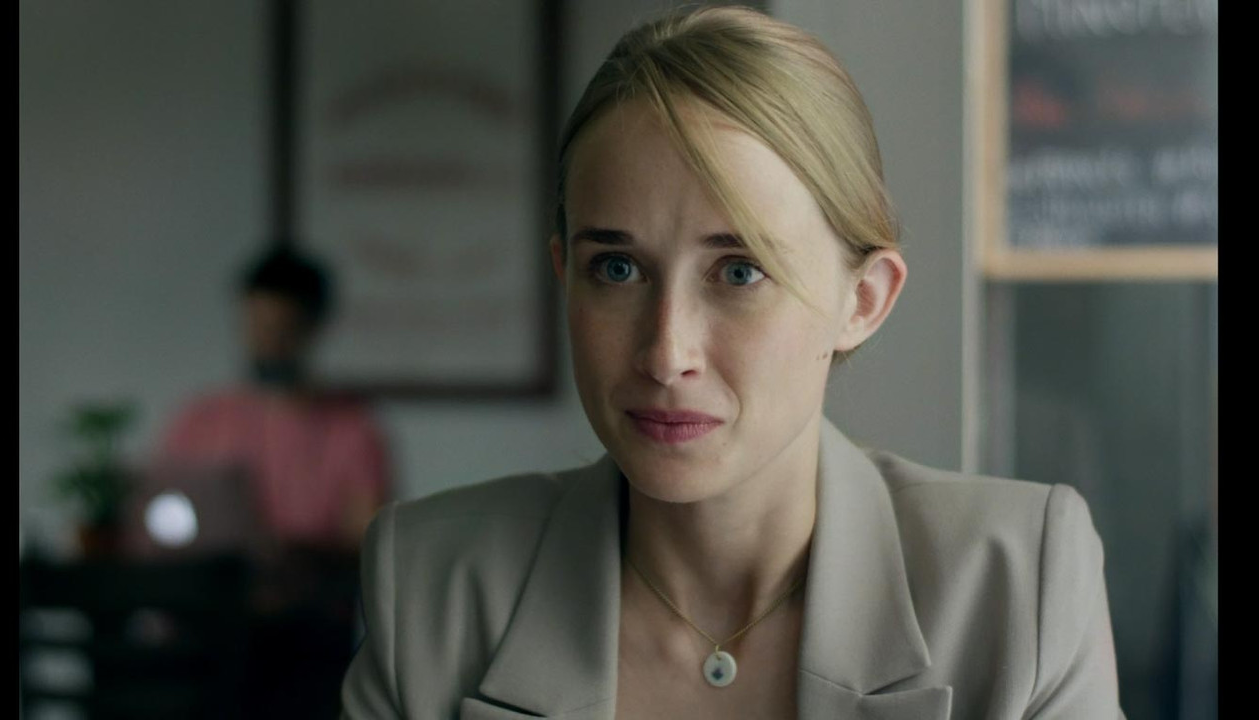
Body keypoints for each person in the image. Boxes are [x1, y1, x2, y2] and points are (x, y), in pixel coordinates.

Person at [340, 6, 1124, 719]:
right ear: (564, 275)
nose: (666, 353)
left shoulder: (1017, 583)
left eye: (740, 271)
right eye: (616, 268)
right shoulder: (431, 586)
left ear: (862, 300)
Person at [156, 243, 390, 555]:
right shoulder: (199, 420)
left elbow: (367, 541)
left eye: (282, 328)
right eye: (258, 325)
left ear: (313, 327)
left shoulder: (352, 429)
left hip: (311, 582)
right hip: (208, 581)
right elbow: (160, 515)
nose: (268, 341)